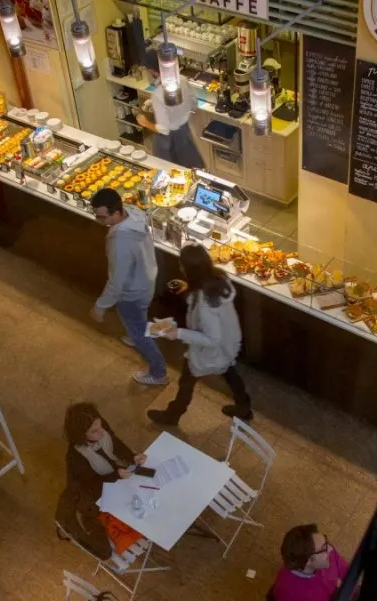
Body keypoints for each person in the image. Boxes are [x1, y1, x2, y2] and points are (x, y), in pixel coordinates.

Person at [147, 244, 251, 426]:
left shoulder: (205, 305)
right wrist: (189, 288)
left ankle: (172, 416)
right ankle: (244, 407)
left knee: (187, 380)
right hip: (229, 342)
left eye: (182, 264)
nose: (179, 266)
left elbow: (212, 338)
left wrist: (177, 333)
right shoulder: (218, 277)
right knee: (228, 372)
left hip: (211, 350)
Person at [89, 188, 168, 385]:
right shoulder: (133, 213)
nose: (99, 221)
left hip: (132, 291)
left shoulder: (121, 241)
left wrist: (100, 306)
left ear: (116, 213)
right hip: (146, 280)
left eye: (101, 217)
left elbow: (117, 281)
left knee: (139, 332)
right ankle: (144, 332)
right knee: (139, 319)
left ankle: (159, 373)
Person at [54, 403, 147, 558]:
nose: (101, 431)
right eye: (94, 431)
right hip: (94, 492)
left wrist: (132, 456)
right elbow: (92, 484)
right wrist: (116, 475)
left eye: (100, 425)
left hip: (112, 475)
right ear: (81, 435)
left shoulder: (99, 425)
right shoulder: (76, 457)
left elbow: (115, 443)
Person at [271, 523, 349, 601]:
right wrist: (341, 598)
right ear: (308, 561)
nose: (330, 549)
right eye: (324, 548)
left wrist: (342, 595)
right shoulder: (291, 597)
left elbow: (346, 571)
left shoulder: (324, 557)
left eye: (326, 542)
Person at [134, 49, 205, 169]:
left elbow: (164, 129)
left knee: (169, 173)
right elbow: (194, 104)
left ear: (153, 71)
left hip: (167, 142)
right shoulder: (182, 79)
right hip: (185, 134)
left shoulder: (158, 94)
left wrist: (145, 123)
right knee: (188, 171)